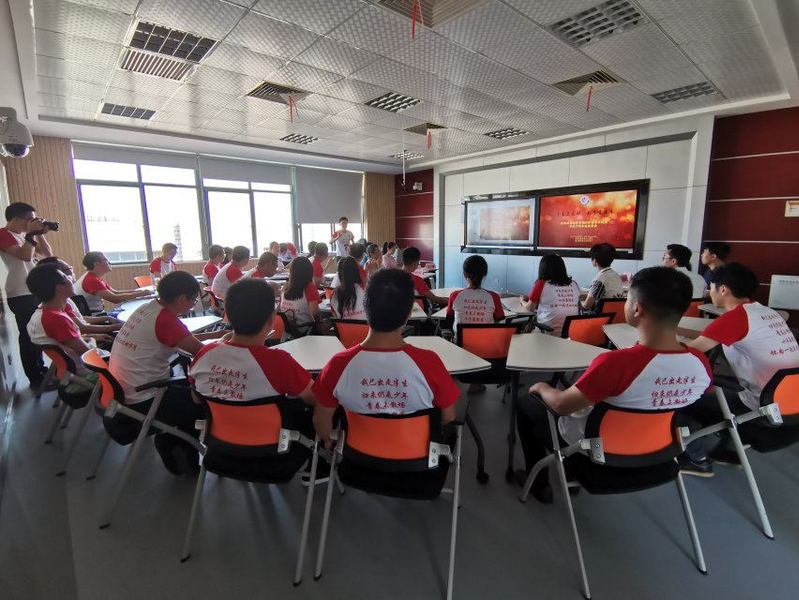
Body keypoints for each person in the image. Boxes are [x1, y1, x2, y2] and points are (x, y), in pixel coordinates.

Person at [515, 267, 712, 502]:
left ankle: (540, 484)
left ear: (637, 309)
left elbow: (561, 406)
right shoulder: (700, 364)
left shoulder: (618, 363)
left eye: (628, 299)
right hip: (658, 452)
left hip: (597, 453)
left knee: (527, 404)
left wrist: (541, 387)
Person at [312, 268, 460, 447]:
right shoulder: (429, 362)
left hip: (356, 458)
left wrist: (329, 440)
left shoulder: (338, 364)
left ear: (366, 308)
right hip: (416, 458)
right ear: (409, 313)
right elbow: (448, 416)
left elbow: (321, 422)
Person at [109, 271, 224, 474]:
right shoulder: (165, 320)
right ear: (181, 298)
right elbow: (201, 353)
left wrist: (217, 334)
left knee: (190, 388)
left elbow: (181, 338)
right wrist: (229, 344)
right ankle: (175, 444)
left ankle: (175, 442)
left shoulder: (148, 309)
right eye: (193, 300)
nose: (193, 305)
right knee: (206, 401)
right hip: (147, 398)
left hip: (124, 391)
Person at [684, 263, 799, 466]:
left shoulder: (735, 318)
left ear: (723, 289)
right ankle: (728, 449)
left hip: (763, 409)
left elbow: (688, 353)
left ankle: (697, 458)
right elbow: (713, 336)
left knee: (686, 399)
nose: (709, 292)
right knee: (727, 390)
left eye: (711, 287)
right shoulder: (766, 312)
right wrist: (679, 331)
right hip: (790, 404)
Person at [189, 278, 316, 438]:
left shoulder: (204, 354)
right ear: (271, 319)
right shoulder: (278, 362)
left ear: (228, 315)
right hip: (271, 444)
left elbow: (196, 398)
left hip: (219, 443)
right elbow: (315, 398)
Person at [0, 202, 53, 387]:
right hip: (20, 293)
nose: (32, 222)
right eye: (30, 219)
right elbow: (25, 256)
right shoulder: (3, 234)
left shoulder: (23, 236)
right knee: (28, 337)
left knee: (36, 334)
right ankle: (35, 379)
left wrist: (39, 234)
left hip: (31, 291)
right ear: (16, 218)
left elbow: (46, 254)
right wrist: (31, 234)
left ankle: (42, 371)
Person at [25, 263, 97, 376]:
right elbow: (88, 353)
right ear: (59, 287)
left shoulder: (40, 314)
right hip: (90, 369)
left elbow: (68, 342)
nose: (70, 278)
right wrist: (93, 340)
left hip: (71, 369)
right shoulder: (56, 319)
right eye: (66, 277)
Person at [37, 257, 122, 337]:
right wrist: (118, 327)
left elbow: (79, 320)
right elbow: (82, 329)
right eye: (68, 269)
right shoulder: (55, 309)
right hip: (94, 320)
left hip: (90, 331)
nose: (71, 275)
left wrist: (107, 319)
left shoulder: (64, 300)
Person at [519, 254, 580, 336]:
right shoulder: (574, 284)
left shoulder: (541, 284)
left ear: (543, 269)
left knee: (527, 326)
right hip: (570, 334)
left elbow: (530, 308)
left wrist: (522, 301)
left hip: (548, 333)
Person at [75, 251, 150, 314]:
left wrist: (140, 291)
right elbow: (115, 299)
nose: (109, 262)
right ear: (96, 264)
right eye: (105, 260)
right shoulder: (91, 280)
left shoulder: (94, 277)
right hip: (94, 316)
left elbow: (115, 292)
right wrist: (141, 294)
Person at [446, 255, 503, 333]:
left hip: (460, 340)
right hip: (486, 339)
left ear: (464, 274)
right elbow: (498, 321)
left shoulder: (455, 295)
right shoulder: (494, 297)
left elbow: (449, 320)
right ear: (485, 274)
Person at [580, 242, 625, 313]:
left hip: (602, 316)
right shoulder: (616, 276)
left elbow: (587, 306)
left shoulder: (600, 280)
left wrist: (578, 304)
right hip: (615, 314)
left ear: (595, 261)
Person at [280, 256, 321, 333]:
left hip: (288, 332)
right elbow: (315, 312)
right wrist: (320, 323)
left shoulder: (285, 287)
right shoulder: (309, 287)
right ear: (309, 271)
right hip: (306, 330)